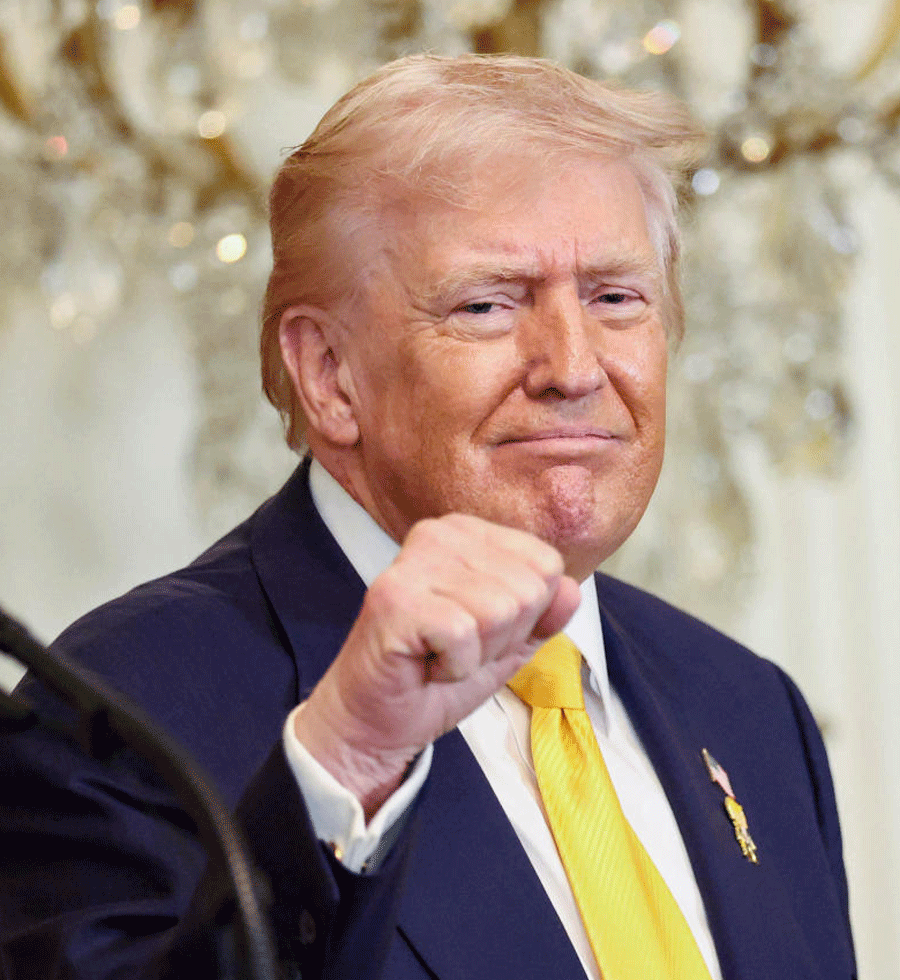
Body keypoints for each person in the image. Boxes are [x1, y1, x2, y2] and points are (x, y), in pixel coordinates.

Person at [0, 54, 856, 980]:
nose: (573, 367)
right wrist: (351, 757)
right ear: (328, 375)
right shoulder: (122, 713)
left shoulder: (750, 711)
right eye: (487, 305)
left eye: (615, 297)